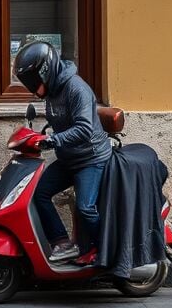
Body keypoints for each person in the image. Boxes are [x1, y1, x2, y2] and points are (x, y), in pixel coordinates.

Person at [12, 40, 112, 266]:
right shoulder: (52, 90)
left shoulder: (77, 89)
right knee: (37, 193)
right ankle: (62, 242)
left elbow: (84, 129)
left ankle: (102, 249)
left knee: (85, 207)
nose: (31, 87)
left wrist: (53, 140)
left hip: (91, 158)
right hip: (69, 158)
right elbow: (57, 122)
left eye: (32, 81)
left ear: (45, 71)